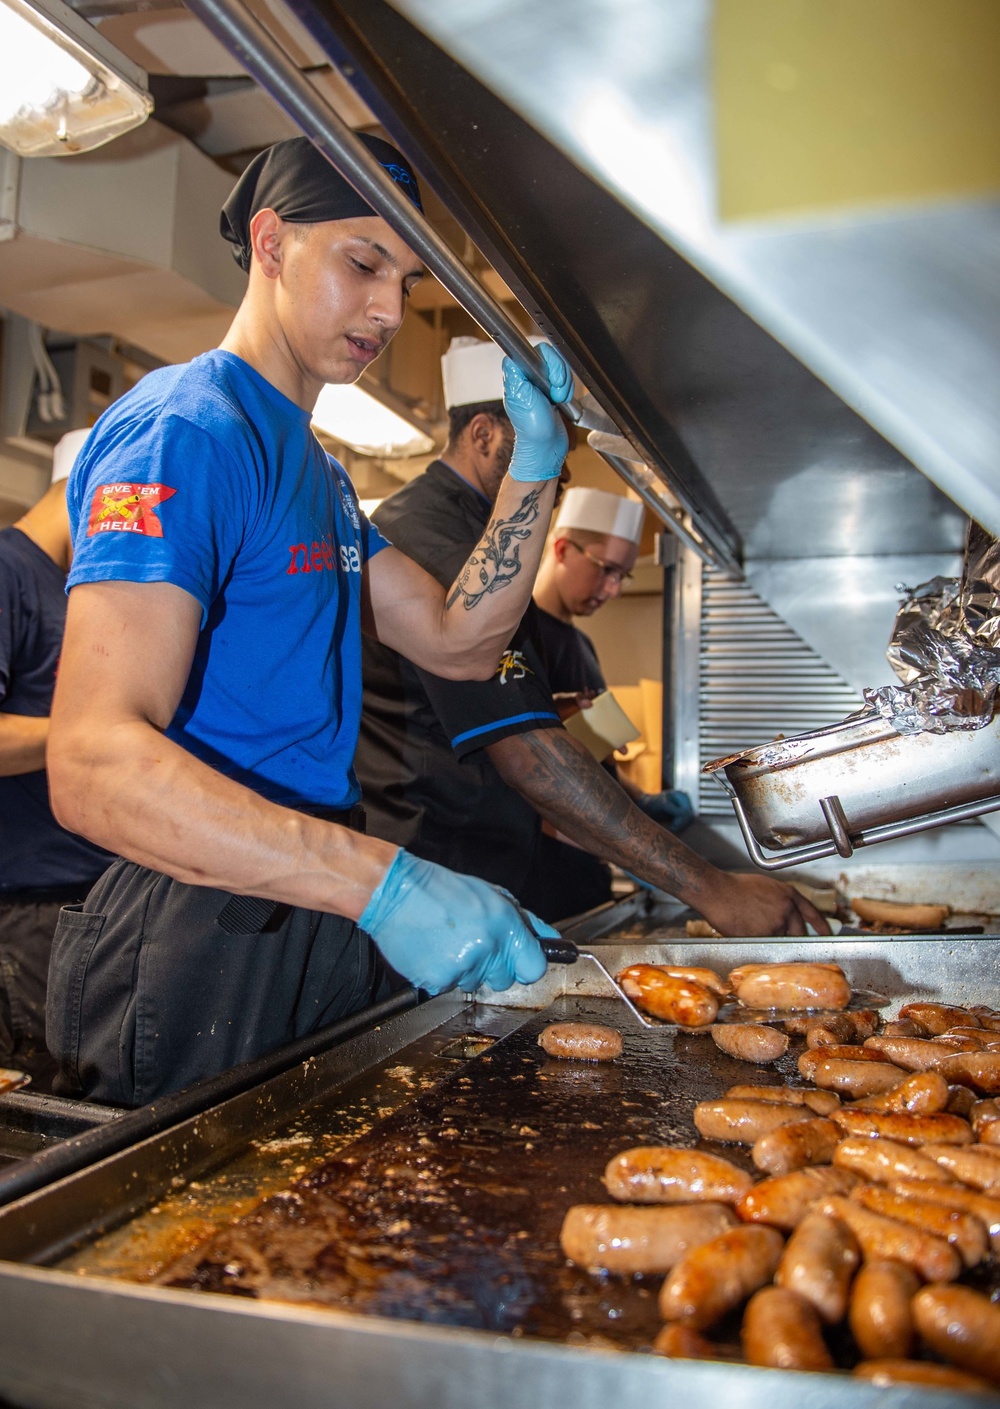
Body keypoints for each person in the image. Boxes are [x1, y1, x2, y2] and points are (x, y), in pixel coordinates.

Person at [44, 135, 576, 1109]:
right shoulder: (186, 430)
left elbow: (460, 638)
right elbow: (90, 763)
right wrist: (390, 887)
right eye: (362, 261)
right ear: (271, 241)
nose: (386, 308)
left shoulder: (320, 470)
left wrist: (536, 470)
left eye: (405, 278)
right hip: (198, 912)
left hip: (309, 886)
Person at [356, 337, 827, 932]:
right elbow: (528, 756)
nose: (566, 470)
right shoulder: (439, 541)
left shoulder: (476, 532)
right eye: (536, 440)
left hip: (480, 868)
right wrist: (713, 889)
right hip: (440, 877)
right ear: (482, 435)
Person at [0, 430, 112, 1087]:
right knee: (36, 1117)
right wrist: (92, 732)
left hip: (89, 900)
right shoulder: (10, 571)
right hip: (28, 913)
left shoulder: (75, 584)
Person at [527, 484, 694, 910]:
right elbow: (526, 777)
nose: (614, 588)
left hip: (588, 878)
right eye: (607, 569)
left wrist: (640, 800)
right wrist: (631, 849)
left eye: (623, 575)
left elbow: (590, 753)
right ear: (562, 549)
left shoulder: (582, 645)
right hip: (538, 878)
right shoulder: (519, 640)